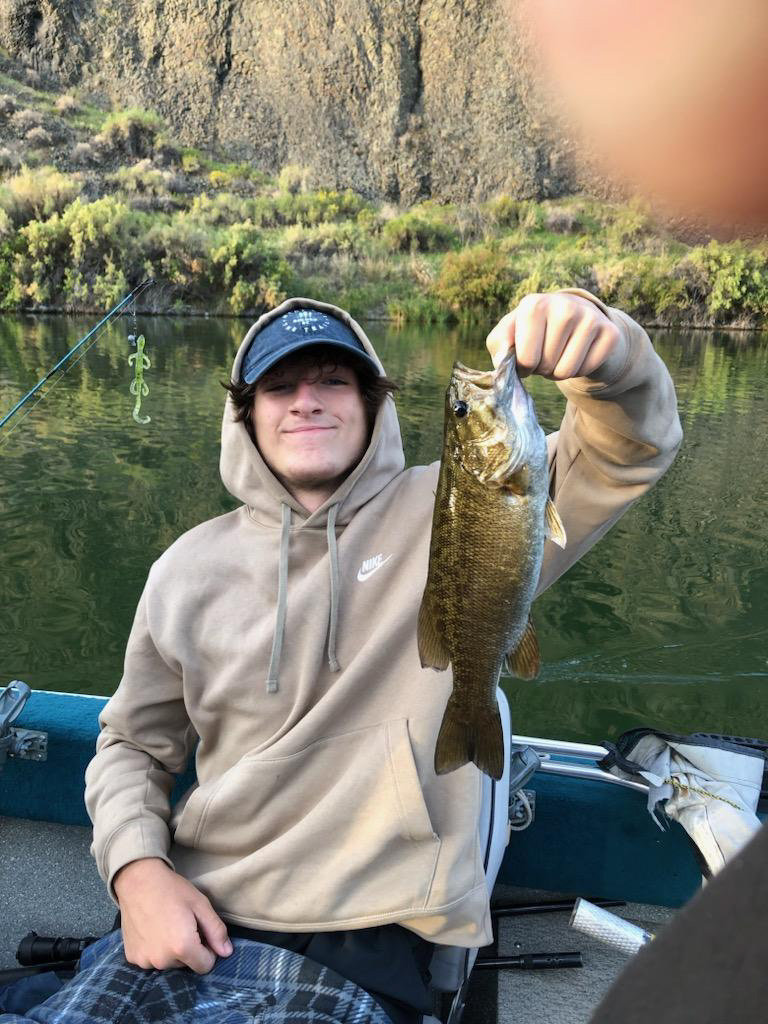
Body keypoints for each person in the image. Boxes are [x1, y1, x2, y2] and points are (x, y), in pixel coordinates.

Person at [83, 289, 681, 1022]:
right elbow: (132, 746)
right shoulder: (184, 570)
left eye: (333, 380)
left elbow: (629, 448)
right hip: (198, 913)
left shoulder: (464, 499)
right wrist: (137, 872)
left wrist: (609, 354)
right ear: (246, 414)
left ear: (373, 405)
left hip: (380, 932)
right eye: (279, 386)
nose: (306, 400)